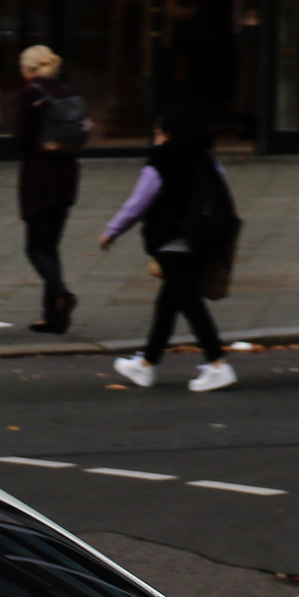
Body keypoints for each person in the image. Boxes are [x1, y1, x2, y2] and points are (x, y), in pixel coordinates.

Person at [100, 110, 239, 392]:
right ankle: (146, 365)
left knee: (189, 303)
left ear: (169, 135)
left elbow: (138, 202)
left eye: (158, 134)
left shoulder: (162, 160)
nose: (156, 139)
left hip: (171, 240)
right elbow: (223, 196)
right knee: (168, 305)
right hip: (202, 241)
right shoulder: (207, 160)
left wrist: (112, 231)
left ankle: (218, 364)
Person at [14, 44, 84, 334]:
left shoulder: (30, 93)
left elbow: (21, 139)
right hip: (67, 175)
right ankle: (52, 317)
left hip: (40, 177)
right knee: (51, 247)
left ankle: (62, 295)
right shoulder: (67, 91)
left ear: (28, 70)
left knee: (35, 249)